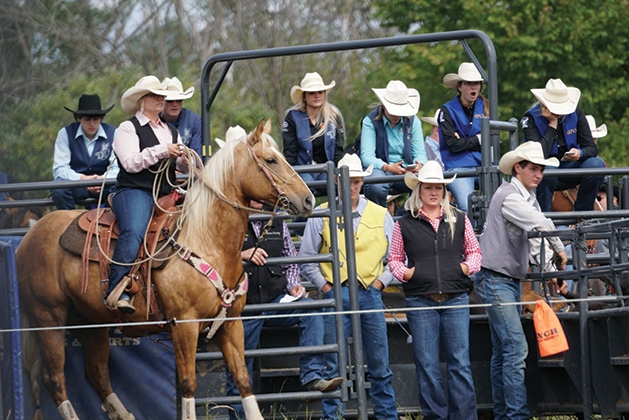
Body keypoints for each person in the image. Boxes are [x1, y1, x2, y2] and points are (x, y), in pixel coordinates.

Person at [225, 197, 343, 420]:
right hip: (243, 307)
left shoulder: (278, 220)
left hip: (275, 299)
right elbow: (215, 256)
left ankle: (311, 375)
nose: (257, 199)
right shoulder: (230, 218)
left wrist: (294, 285)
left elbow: (290, 260)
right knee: (239, 372)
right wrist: (240, 255)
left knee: (310, 308)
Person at [299, 153, 398, 420]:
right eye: (347, 181)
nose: (351, 186)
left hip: (369, 292)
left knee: (379, 363)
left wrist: (380, 283)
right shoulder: (320, 214)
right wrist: (326, 287)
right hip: (337, 293)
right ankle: (334, 417)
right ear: (335, 181)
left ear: (362, 182)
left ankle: (387, 416)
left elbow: (397, 258)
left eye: (355, 181)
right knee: (335, 364)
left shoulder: (381, 214)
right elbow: (307, 259)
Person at [475, 141, 567, 419]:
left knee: (504, 350)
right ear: (518, 168)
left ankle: (506, 414)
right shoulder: (512, 197)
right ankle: (516, 415)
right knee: (515, 347)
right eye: (534, 169)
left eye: (541, 170)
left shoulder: (523, 196)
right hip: (495, 276)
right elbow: (540, 224)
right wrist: (561, 249)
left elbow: (534, 240)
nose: (538, 175)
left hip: (503, 277)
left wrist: (550, 269)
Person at [388, 160, 481, 420]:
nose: (433, 192)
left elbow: (475, 253)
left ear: (444, 191)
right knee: (427, 365)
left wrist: (464, 269)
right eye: (428, 187)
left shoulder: (460, 219)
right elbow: (394, 258)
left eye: (438, 188)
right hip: (420, 301)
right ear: (418, 190)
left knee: (459, 364)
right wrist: (406, 273)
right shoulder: (403, 224)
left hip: (455, 299)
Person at [104, 75, 189, 314]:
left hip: (167, 191)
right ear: (142, 100)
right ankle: (117, 289)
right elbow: (130, 163)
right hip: (135, 190)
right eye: (155, 95)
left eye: (162, 95)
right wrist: (163, 151)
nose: (161, 99)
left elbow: (180, 165)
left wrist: (187, 161)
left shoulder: (171, 130)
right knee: (133, 231)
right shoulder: (127, 128)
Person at [521, 78, 606, 212]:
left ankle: (583, 215)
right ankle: (544, 216)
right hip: (541, 167)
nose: (560, 111)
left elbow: (591, 147)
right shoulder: (530, 118)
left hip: (568, 166)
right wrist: (552, 125)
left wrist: (580, 153)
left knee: (597, 164)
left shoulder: (576, 113)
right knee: (548, 170)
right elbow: (538, 154)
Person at [360, 80, 426, 207]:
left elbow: (420, 152)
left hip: (408, 169)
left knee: (427, 183)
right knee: (376, 186)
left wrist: (419, 164)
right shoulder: (369, 121)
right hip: (380, 168)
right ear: (384, 105)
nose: (397, 114)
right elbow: (367, 157)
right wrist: (388, 167)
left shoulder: (414, 121)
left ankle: (405, 219)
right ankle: (382, 221)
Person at [51, 93, 119, 210]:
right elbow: (60, 169)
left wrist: (100, 180)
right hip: (76, 185)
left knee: (121, 188)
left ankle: (107, 222)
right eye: (87, 119)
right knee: (59, 190)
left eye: (95, 119)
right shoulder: (65, 133)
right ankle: (70, 222)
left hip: (104, 185)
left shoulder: (114, 133)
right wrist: (83, 179)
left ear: (101, 118)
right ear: (79, 118)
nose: (92, 124)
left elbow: (117, 167)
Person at [282, 72, 345, 194]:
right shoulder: (292, 117)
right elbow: (290, 152)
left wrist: (338, 172)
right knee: (304, 190)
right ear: (304, 96)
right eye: (311, 93)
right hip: (302, 171)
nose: (317, 95)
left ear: (324, 94)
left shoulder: (334, 116)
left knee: (342, 186)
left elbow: (338, 150)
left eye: (320, 92)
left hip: (328, 171)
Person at [438, 62, 488, 213]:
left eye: (476, 83)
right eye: (468, 83)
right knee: (467, 206)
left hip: (484, 165)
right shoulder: (446, 110)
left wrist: (463, 141)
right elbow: (453, 145)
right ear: (459, 86)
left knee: (503, 202)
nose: (473, 87)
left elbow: (492, 141)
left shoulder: (486, 106)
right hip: (457, 167)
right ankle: (470, 237)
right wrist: (478, 140)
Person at [161, 77, 202, 158]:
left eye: (179, 100)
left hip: (187, 168)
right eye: (170, 100)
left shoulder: (194, 121)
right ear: (162, 101)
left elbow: (196, 155)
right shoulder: (154, 120)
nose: (175, 104)